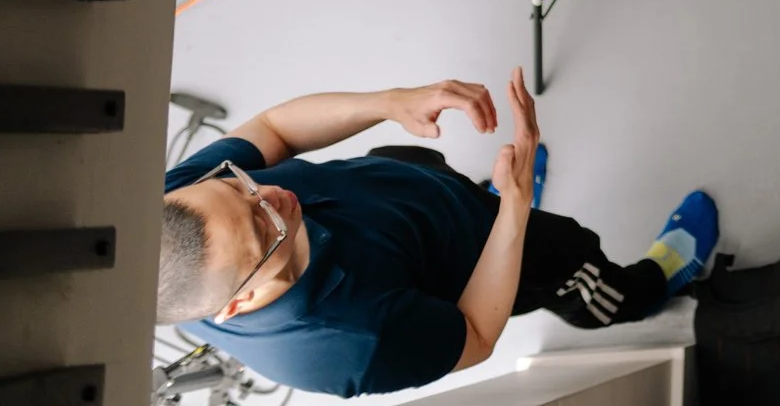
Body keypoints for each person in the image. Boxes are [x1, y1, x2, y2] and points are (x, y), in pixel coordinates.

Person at [155, 72, 718, 398]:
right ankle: (651, 286)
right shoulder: (346, 347)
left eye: (239, 188)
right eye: (263, 225)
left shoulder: (183, 202)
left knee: (462, 194)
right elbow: (473, 334)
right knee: (577, 268)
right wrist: (516, 212)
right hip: (481, 268)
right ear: (242, 301)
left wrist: (388, 104)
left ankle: (489, 200)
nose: (271, 196)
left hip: (410, 196)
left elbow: (272, 129)